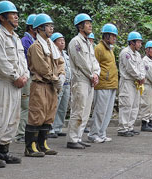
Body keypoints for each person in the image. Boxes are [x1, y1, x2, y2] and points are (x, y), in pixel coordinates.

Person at [0, 0, 29, 168]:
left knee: (12, 119)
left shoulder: (15, 38)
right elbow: (0, 61)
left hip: (15, 84)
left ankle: (3, 151)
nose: (16, 16)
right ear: (2, 17)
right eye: (12, 13)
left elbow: (22, 60)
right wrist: (16, 76)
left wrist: (25, 75)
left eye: (16, 13)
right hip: (2, 83)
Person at [24, 14, 65, 156]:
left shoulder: (51, 45)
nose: (51, 28)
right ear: (40, 28)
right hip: (40, 84)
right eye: (48, 26)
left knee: (49, 114)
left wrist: (61, 75)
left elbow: (60, 62)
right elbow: (41, 67)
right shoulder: (36, 47)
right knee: (37, 114)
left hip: (51, 85)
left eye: (51, 25)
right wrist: (55, 78)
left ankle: (43, 144)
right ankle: (31, 147)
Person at [67, 13, 100, 149]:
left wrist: (96, 73)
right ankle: (72, 139)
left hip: (90, 80)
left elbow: (93, 61)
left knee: (86, 111)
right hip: (80, 80)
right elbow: (81, 62)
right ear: (80, 26)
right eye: (87, 23)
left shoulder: (88, 43)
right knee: (78, 110)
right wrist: (92, 75)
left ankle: (79, 136)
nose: (90, 25)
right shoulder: (76, 42)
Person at [88, 23, 119, 143]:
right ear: (106, 36)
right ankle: (93, 134)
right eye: (113, 36)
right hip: (102, 85)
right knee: (100, 111)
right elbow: (93, 65)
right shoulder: (99, 48)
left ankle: (102, 133)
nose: (115, 38)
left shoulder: (110, 49)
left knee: (107, 112)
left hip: (111, 84)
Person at [117, 31, 146, 137]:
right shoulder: (126, 53)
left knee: (135, 105)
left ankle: (130, 126)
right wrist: (139, 77)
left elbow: (141, 67)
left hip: (136, 83)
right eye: (138, 42)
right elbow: (130, 68)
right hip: (127, 82)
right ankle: (122, 128)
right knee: (126, 105)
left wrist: (142, 77)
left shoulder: (138, 54)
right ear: (132, 42)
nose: (140, 45)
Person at [15, 14, 37, 142]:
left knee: (30, 106)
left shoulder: (32, 40)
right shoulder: (25, 41)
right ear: (31, 28)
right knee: (25, 106)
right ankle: (20, 133)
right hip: (26, 76)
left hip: (31, 76)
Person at [51, 32, 71, 138]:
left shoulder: (65, 54)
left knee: (63, 107)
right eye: (59, 40)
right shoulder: (53, 54)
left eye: (63, 40)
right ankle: (50, 129)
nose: (62, 42)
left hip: (67, 83)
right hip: (58, 83)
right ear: (54, 43)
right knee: (55, 105)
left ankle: (58, 127)